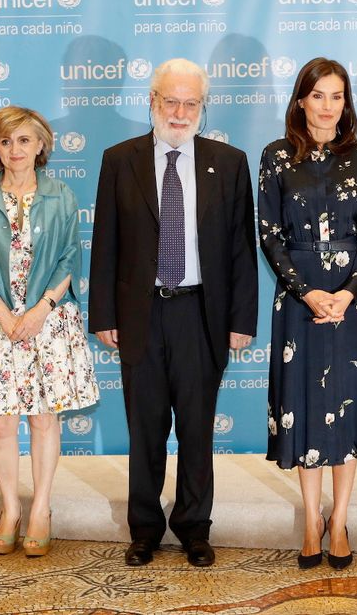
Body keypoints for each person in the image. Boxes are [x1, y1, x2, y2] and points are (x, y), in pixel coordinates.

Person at [89, 58, 258, 568]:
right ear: (153, 102)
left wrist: (241, 321)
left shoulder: (228, 163)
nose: (180, 112)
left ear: (202, 108)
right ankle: (144, 529)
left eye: (191, 103)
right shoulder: (120, 159)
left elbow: (240, 250)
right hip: (140, 315)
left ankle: (193, 526)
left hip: (200, 315)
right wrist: (103, 314)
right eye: (171, 101)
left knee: (196, 428)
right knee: (144, 429)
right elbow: (106, 245)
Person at [258, 58, 357, 571]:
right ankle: (312, 521)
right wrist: (308, 293)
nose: (328, 106)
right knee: (307, 409)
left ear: (346, 102)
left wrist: (346, 294)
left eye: (337, 96)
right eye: (318, 96)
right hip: (299, 302)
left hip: (354, 303)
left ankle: (340, 522)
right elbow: (270, 236)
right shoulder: (275, 157)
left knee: (349, 409)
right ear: (300, 100)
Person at [0, 106, 98, 558]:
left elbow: (69, 260)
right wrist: (3, 314)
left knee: (44, 418)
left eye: (23, 140)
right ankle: (10, 510)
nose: (14, 150)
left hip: (49, 320)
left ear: (41, 145)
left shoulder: (61, 196)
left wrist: (41, 309)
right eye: (5, 142)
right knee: (1, 425)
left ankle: (40, 508)